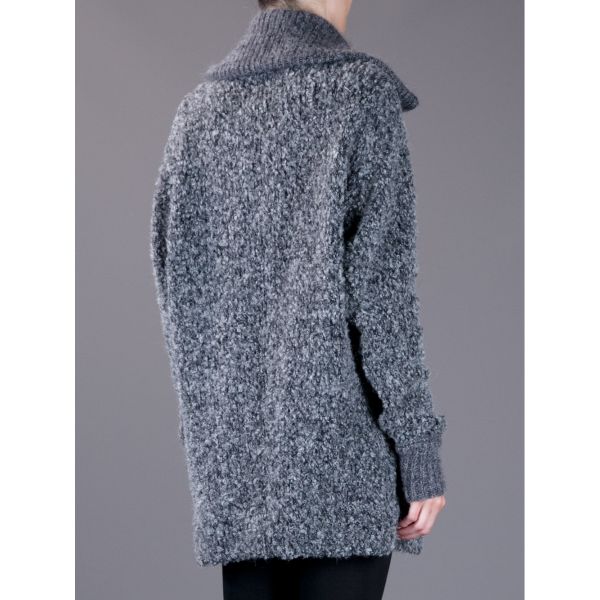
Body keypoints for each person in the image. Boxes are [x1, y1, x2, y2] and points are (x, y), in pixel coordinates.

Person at [150, 1, 447, 598]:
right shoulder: (359, 92)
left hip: (239, 475)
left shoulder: (197, 112)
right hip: (341, 466)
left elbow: (176, 289)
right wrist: (418, 447)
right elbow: (383, 293)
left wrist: (216, 440)